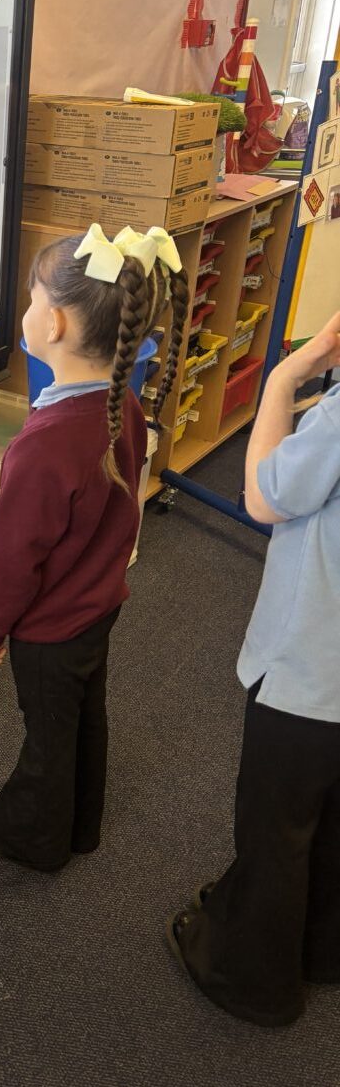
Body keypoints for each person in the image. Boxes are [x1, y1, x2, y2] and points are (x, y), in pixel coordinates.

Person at [0, 224, 190, 870]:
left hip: (49, 627)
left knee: (47, 734)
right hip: (98, 605)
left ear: (54, 324)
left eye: (31, 300)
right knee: (85, 714)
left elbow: (12, 559)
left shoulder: (43, 445)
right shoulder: (122, 408)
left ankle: (29, 837)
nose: (27, 312)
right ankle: (80, 825)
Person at [167, 310, 340, 1028]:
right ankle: (321, 950)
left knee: (275, 828)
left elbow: (264, 499)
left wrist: (283, 380)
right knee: (330, 819)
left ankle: (253, 983)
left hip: (310, 671)